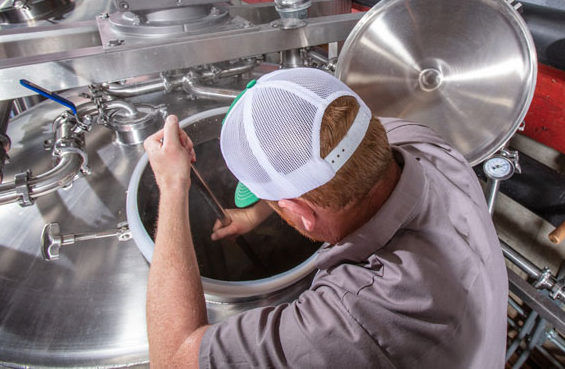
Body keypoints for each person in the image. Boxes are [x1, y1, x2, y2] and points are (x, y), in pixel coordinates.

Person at [143, 67, 508, 368]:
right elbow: (335, 151)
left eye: (272, 203)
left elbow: (172, 358)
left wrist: (173, 185)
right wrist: (258, 213)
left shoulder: (355, 317)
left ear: (301, 212)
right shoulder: (424, 144)